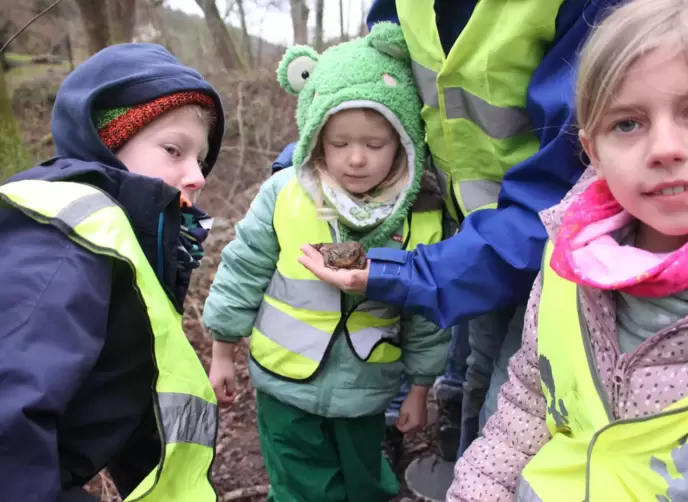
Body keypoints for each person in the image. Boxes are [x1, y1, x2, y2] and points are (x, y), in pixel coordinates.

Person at [290, 0, 624, 497]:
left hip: (557, 256)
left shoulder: (588, 12)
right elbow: (371, 89)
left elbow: (564, 186)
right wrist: (308, 165)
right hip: (467, 241)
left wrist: (400, 273)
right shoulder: (400, 8)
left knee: (515, 413)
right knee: (474, 371)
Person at [448, 0, 688, 499]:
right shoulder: (569, 258)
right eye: (627, 124)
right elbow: (530, 397)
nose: (664, 148)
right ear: (593, 150)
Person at [202, 23, 450, 502]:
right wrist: (222, 349)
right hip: (283, 384)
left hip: (365, 389)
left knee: (366, 484)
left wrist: (419, 386)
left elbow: (425, 310)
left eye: (375, 145)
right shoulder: (285, 194)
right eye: (339, 144)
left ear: (404, 140)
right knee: (299, 487)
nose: (356, 159)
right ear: (315, 138)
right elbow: (242, 269)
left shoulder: (421, 213)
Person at [0, 43, 224, 502]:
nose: (198, 176)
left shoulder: (128, 247)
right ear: (105, 145)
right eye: (173, 150)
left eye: (200, 160)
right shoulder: (65, 243)